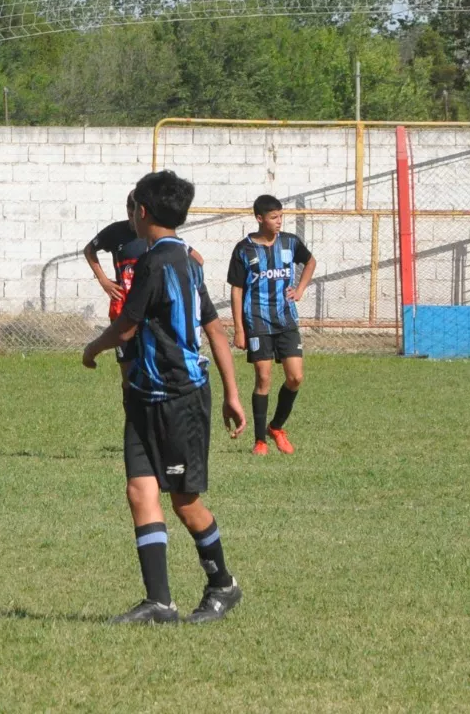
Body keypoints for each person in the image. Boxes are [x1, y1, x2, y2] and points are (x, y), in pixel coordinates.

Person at [83, 170, 247, 625]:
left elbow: (129, 325)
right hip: (144, 393)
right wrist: (233, 392)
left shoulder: (161, 262)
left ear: (142, 212)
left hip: (180, 397)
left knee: (184, 501)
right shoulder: (184, 259)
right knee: (140, 490)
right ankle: (160, 601)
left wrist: (92, 348)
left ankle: (223, 584)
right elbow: (214, 327)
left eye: (133, 205)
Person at [227, 195, 317, 455]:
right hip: (257, 320)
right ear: (259, 219)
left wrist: (300, 289)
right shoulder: (244, 249)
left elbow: (310, 262)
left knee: (296, 377)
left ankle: (276, 427)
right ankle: (260, 441)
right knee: (263, 378)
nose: (279, 221)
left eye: (281, 216)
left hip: (286, 318)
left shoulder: (290, 242)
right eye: (274, 217)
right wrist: (239, 329)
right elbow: (237, 290)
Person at [84, 191, 205, 380]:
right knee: (128, 371)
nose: (135, 220)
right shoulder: (115, 232)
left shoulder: (155, 235)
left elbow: (197, 259)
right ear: (128, 211)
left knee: (153, 365)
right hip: (125, 308)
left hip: (152, 310)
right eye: (131, 214)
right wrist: (104, 281)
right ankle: (130, 405)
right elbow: (89, 250)